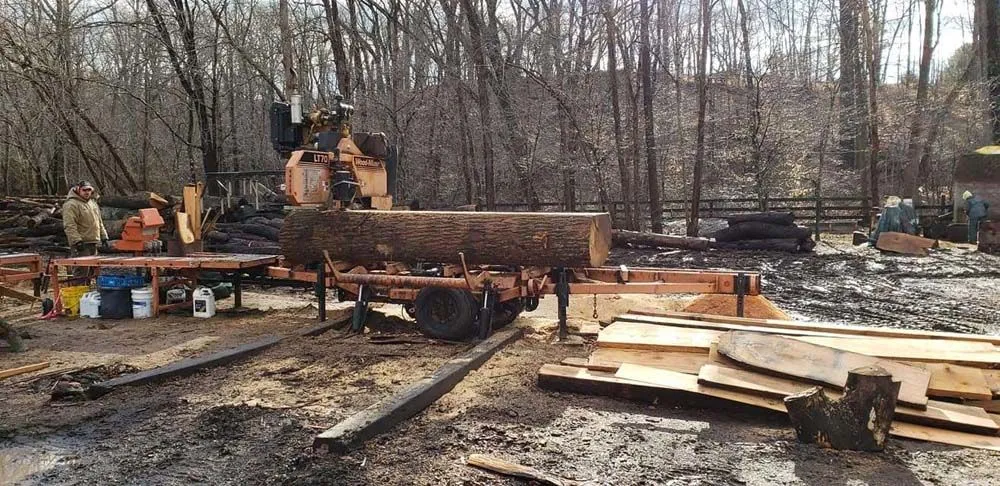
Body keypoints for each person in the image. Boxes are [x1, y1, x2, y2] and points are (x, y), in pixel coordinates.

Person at [63, 181, 109, 260]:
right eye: (84, 190)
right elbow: (69, 225)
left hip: (93, 242)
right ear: (78, 190)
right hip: (81, 244)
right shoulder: (71, 204)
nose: (87, 192)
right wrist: (77, 241)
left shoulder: (92, 203)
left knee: (93, 269)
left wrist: (104, 236)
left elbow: (99, 221)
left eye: (89, 190)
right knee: (82, 270)